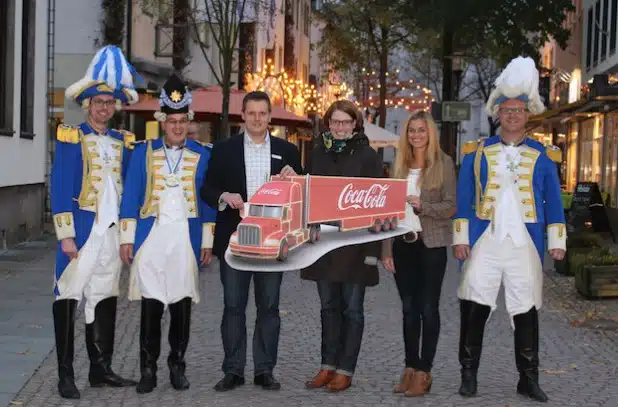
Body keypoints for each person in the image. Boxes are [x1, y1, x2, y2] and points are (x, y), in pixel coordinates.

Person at [452, 56, 566, 403]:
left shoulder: (545, 156)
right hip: (484, 241)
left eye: (519, 110)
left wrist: (557, 241)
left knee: (526, 307)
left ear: (527, 114)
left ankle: (527, 378)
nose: (513, 115)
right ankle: (468, 374)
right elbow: (464, 198)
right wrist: (460, 238)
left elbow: (554, 201)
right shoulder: (477, 152)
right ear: (497, 114)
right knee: (474, 305)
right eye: (507, 110)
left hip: (525, 244)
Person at [50, 45, 140, 399]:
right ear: (87, 104)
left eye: (110, 103)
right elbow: (60, 186)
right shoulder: (72, 137)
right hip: (82, 232)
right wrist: (65, 236)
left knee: (104, 296)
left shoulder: (123, 141)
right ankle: (65, 374)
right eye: (99, 102)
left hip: (111, 234)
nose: (105, 108)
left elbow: (131, 192)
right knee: (69, 295)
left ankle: (100, 369)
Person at [118, 74, 217, 394]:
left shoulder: (204, 154)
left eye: (182, 121)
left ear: (189, 122)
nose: (177, 127)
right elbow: (131, 196)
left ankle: (177, 365)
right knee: (151, 305)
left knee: (181, 305)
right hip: (151, 238)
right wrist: (127, 238)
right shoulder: (143, 152)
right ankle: (148, 369)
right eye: (171, 121)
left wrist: (206, 241)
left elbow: (208, 202)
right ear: (162, 121)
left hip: (184, 240)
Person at [201, 91, 302, 391]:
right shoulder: (223, 150)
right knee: (233, 306)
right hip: (235, 241)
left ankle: (264, 370)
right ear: (242, 115)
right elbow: (207, 188)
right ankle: (233, 370)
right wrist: (223, 196)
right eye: (252, 113)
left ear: (270, 116)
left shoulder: (288, 151)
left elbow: (302, 190)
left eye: (263, 113)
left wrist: (295, 177)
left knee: (269, 307)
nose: (257, 119)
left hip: (273, 243)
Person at [301, 100, 382, 392]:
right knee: (327, 308)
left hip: (356, 245)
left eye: (345, 122)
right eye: (335, 122)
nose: (340, 127)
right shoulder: (318, 153)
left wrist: (374, 252)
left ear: (355, 124)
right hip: (324, 244)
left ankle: (345, 370)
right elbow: (306, 193)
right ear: (328, 123)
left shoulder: (369, 156)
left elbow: (380, 203)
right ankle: (327, 366)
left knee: (352, 310)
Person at [381, 110, 456, 397]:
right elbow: (387, 210)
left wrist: (422, 204)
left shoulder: (444, 163)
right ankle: (410, 367)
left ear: (430, 133)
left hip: (431, 245)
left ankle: (425, 370)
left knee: (428, 308)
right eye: (412, 130)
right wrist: (386, 249)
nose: (416, 135)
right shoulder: (398, 164)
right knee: (409, 310)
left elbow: (450, 206)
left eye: (421, 130)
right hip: (402, 245)